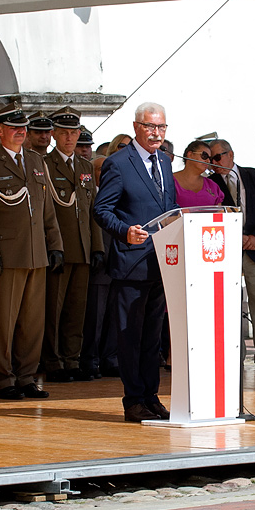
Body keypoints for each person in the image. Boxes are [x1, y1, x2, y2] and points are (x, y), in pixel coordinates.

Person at [0, 102, 64, 400]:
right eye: (14, 128)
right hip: (8, 254)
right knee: (5, 321)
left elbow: (47, 209)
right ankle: (4, 378)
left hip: (36, 253)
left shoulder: (37, 162)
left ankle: (26, 376)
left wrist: (55, 245)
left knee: (32, 323)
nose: (20, 133)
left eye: (23, 128)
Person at [94, 102, 178, 422]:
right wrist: (124, 232)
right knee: (130, 335)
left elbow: (169, 207)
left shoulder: (166, 162)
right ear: (136, 127)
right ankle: (133, 400)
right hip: (132, 262)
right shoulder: (119, 163)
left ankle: (151, 396)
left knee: (152, 335)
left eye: (161, 127)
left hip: (162, 262)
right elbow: (102, 210)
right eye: (150, 127)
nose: (156, 133)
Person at [42, 106, 104, 382]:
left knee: (77, 309)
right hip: (59, 246)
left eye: (74, 132)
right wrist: (52, 245)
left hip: (82, 246)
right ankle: (53, 360)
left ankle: (72, 358)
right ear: (54, 134)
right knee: (54, 309)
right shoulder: (43, 163)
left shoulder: (84, 166)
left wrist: (98, 246)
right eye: (64, 132)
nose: (69, 138)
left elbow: (91, 208)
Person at [209, 139, 255, 367]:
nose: (215, 163)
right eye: (211, 159)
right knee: (229, 302)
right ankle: (235, 352)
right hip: (227, 250)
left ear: (231, 154)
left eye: (218, 157)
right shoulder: (210, 183)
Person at [173, 140, 224, 207]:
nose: (208, 161)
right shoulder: (170, 181)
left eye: (209, 158)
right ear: (190, 155)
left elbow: (219, 214)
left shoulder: (212, 185)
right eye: (204, 155)